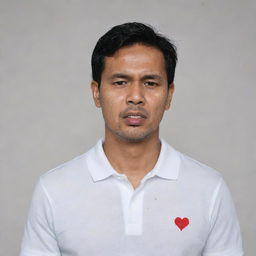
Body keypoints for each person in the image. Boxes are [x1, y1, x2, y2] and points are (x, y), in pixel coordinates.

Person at [20, 22, 243, 256]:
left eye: (150, 83)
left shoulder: (210, 189)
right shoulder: (53, 190)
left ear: (169, 95)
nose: (135, 97)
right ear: (97, 93)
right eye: (120, 82)